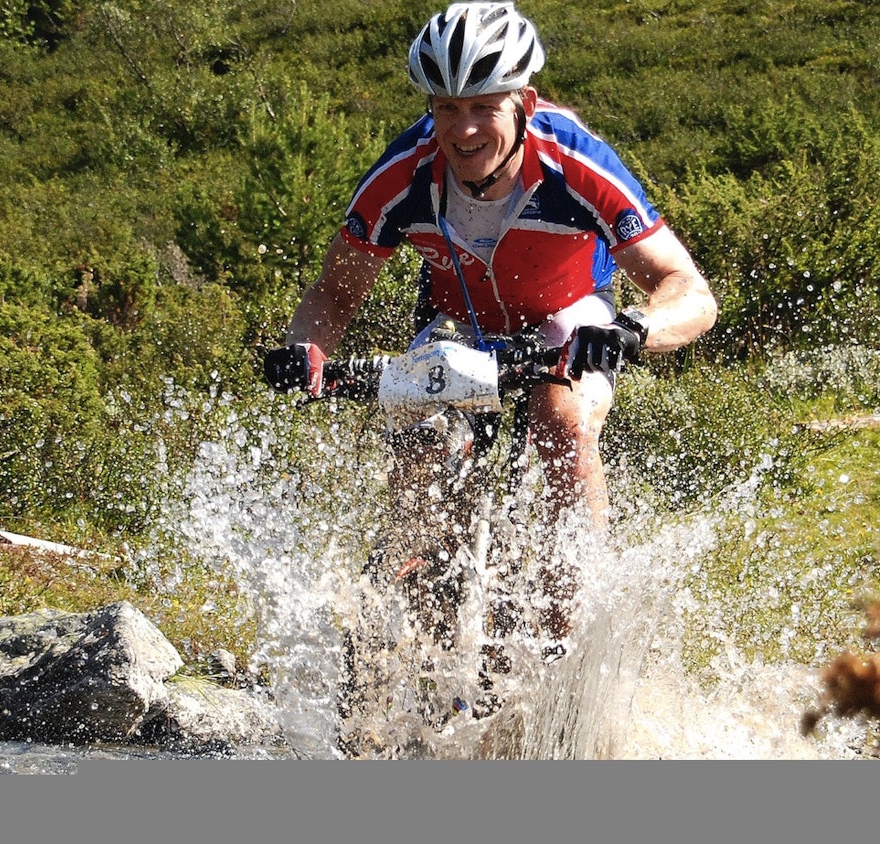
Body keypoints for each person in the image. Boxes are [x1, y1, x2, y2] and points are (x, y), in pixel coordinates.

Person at [265, 2, 716, 572]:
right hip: (457, 326)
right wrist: (308, 350)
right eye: (447, 108)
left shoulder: (575, 163)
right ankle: (404, 641)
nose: (464, 128)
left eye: (484, 107)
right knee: (419, 465)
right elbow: (334, 293)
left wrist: (630, 329)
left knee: (563, 423)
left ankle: (572, 631)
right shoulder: (403, 175)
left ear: (524, 103)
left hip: (568, 317)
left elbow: (689, 291)